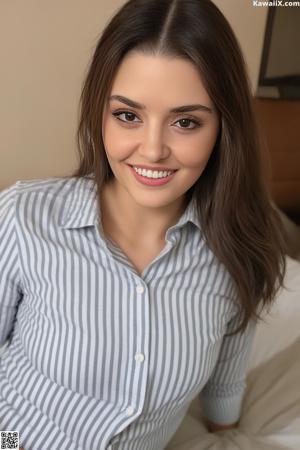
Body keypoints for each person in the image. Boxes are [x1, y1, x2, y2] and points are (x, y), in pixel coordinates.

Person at [0, 0, 288, 449]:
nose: (152, 150)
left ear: (223, 129)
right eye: (128, 116)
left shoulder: (238, 255)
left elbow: (224, 391)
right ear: (101, 113)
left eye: (186, 122)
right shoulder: (25, 218)